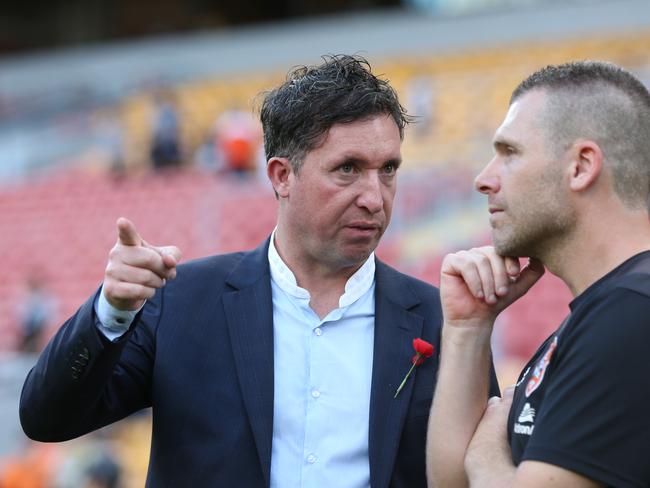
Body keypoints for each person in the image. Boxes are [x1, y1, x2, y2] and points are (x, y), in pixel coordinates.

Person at [20, 54, 499, 488]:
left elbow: (480, 470)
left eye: (388, 169)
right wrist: (111, 311)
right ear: (281, 176)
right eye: (348, 169)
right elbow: (47, 418)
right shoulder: (182, 301)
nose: (375, 197)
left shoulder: (441, 321)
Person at [426, 60, 650, 488]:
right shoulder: (602, 313)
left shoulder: (632, 314)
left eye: (509, 153)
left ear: (581, 166)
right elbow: (451, 483)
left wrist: (486, 446)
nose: (483, 179)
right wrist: (467, 329)